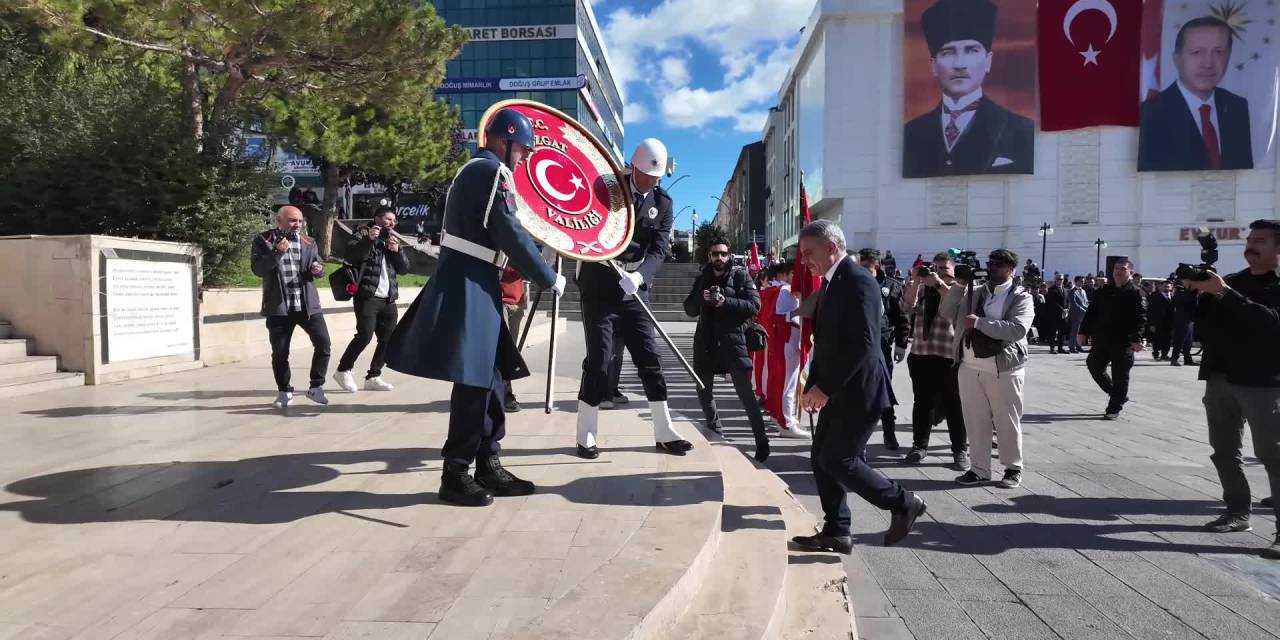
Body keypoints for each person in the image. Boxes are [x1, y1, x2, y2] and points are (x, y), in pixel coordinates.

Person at [386, 108, 566, 507]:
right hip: (471, 281)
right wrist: (548, 276)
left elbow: (503, 233)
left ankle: (488, 462)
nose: (523, 159)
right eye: (522, 149)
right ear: (504, 140)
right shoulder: (490, 172)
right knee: (475, 382)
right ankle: (456, 472)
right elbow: (507, 229)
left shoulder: (477, 172)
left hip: (479, 280)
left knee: (495, 378)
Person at [791, 220, 927, 554]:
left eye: (809, 252)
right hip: (838, 388)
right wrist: (816, 386)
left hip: (860, 389)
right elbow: (830, 341)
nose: (804, 260)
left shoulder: (858, 281)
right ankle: (837, 529)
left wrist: (825, 388)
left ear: (832, 248)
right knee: (822, 458)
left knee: (840, 459)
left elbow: (864, 344)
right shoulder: (833, 281)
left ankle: (904, 502)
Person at [574, 138, 693, 459]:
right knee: (599, 359)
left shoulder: (663, 202)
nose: (652, 181)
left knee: (650, 359)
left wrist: (639, 276)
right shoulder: (607, 187)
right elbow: (584, 223)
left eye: (656, 177)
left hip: (635, 286)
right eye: (646, 174)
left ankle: (663, 430)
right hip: (599, 283)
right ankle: (586, 431)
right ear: (634, 168)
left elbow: (658, 248)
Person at [1186, 219, 1280, 557]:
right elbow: (1201, 323)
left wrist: (1223, 292)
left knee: (1273, 456)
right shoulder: (1234, 281)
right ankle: (1237, 512)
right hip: (1220, 377)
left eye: (1261, 241)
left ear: (1278, 249)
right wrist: (1193, 290)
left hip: (1262, 382)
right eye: (1250, 239)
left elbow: (1269, 321)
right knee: (1224, 451)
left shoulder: (1256, 286)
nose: (1251, 244)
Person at [903, 0, 1033, 178]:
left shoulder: (1021, 129)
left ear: (988, 61)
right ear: (933, 65)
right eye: (948, 52)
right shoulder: (912, 133)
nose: (960, 64)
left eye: (971, 50)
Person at [941, 249, 1034, 488]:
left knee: (1007, 419)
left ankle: (1013, 468)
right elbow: (946, 311)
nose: (993, 268)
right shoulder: (976, 290)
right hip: (970, 364)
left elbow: (1017, 329)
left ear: (1011, 269)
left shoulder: (1021, 296)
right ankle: (979, 469)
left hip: (1004, 367)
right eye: (991, 263)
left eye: (1000, 265)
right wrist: (960, 284)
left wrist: (980, 323)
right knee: (974, 419)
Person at [684, 233, 770, 461]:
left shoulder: (741, 276)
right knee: (704, 391)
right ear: (709, 256)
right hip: (706, 344)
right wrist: (701, 299)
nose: (719, 257)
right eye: (715, 254)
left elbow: (755, 305)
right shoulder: (702, 277)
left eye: (723, 253)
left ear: (729, 255)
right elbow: (689, 310)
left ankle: (762, 442)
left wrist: (725, 302)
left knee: (746, 396)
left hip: (734, 343)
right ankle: (716, 434)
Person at [1137, 17, 1254, 172]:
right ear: (1177, 58)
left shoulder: (1237, 107)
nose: (1208, 63)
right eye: (1197, 52)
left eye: (1218, 52)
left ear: (1229, 56)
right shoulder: (1151, 114)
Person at [251, 206, 332, 409]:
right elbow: (258, 270)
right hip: (280, 307)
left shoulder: (308, 241)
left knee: (323, 344)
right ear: (279, 220)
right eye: (293, 221)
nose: (298, 225)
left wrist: (318, 269)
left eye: (300, 221)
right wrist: (277, 252)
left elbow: (318, 265)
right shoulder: (264, 240)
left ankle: (316, 386)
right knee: (280, 352)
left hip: (307, 305)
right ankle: (284, 391)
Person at [902, 252, 970, 470]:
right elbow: (905, 307)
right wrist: (915, 280)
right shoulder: (923, 288)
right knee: (922, 403)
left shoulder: (959, 289)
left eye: (944, 269)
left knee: (954, 405)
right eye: (936, 268)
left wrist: (939, 283)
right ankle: (919, 446)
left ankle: (960, 450)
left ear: (953, 271)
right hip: (921, 354)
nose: (939, 272)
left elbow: (957, 311)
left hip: (949, 356)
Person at [333, 206, 411, 394]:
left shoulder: (391, 239)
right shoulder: (362, 233)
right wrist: (369, 239)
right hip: (367, 296)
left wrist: (397, 250)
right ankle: (343, 370)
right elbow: (352, 256)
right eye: (388, 219)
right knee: (365, 335)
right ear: (377, 218)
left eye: (394, 220)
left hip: (388, 298)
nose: (392, 223)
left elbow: (404, 269)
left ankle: (374, 376)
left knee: (388, 339)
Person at [1079, 258, 1147, 420]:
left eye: (1122, 269)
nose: (1118, 271)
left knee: (1120, 375)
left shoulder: (1136, 292)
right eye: (1116, 268)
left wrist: (1137, 339)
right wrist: (1083, 332)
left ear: (1130, 272)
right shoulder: (1104, 290)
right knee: (1094, 365)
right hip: (1102, 338)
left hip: (1124, 341)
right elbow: (1091, 313)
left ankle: (1114, 407)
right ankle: (1118, 395)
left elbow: (1141, 318)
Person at [858, 249, 909, 450]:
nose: (861, 270)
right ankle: (857, 436)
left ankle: (889, 433)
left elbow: (901, 317)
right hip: (859, 346)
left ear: (876, 266)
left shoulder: (891, 286)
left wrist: (902, 344)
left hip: (882, 345)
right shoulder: (854, 284)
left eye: (865, 267)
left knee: (884, 391)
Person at [499, 266, 527, 413]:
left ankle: (504, 390)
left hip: (517, 300)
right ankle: (505, 393)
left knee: (511, 351)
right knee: (504, 350)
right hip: (498, 299)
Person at [1170, 283, 1198, 366]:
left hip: (1189, 319)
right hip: (1182, 319)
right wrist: (1193, 293)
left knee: (1188, 341)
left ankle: (1187, 359)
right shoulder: (1180, 291)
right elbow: (1178, 302)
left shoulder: (1190, 292)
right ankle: (1174, 359)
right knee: (1180, 340)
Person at [1147, 280, 1176, 360]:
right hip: (1158, 322)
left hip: (1169, 322)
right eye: (1165, 286)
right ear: (1161, 287)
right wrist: (1151, 323)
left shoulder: (1173, 296)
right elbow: (1150, 310)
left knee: (1168, 339)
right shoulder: (1155, 296)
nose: (1166, 288)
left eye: (1168, 286)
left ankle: (1164, 354)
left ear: (1171, 287)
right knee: (1157, 339)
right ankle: (1156, 353)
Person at [1044, 275, 1070, 353]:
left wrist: (1067, 309)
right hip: (1054, 314)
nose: (1060, 281)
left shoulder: (1065, 290)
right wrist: (1062, 309)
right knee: (1053, 331)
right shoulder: (1051, 290)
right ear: (1055, 280)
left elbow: (1068, 301)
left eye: (1061, 279)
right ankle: (1052, 348)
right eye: (1058, 279)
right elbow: (1052, 302)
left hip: (1064, 315)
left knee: (1062, 332)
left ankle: (1060, 348)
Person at [1068, 276, 1090, 353]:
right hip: (1076, 314)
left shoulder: (1083, 291)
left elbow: (1086, 301)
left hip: (1083, 314)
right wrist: (1083, 310)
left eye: (1083, 281)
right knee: (1074, 331)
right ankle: (1072, 347)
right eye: (1081, 281)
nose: (1082, 283)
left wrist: (1088, 308)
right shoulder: (1072, 291)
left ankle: (1078, 346)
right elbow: (1074, 304)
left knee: (1080, 332)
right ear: (1076, 281)